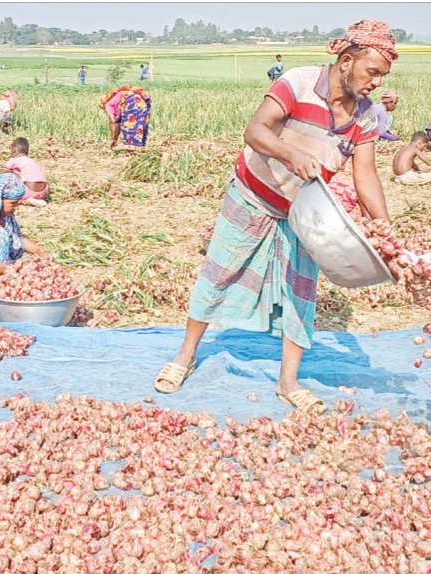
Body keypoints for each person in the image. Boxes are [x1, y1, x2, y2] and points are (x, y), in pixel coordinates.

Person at [153, 19, 398, 415]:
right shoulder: (299, 82)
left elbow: (365, 175)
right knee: (220, 273)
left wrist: (385, 231)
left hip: (304, 212)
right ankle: (185, 357)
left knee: (300, 292)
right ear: (347, 61)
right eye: (372, 73)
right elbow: (256, 131)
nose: (376, 83)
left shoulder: (366, 116)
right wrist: (291, 153)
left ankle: (288, 382)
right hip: (252, 195)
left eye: (382, 76)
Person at [4, 137, 48, 206]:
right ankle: (36, 199)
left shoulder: (14, 160)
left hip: (28, 192)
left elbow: (2, 173)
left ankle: (23, 201)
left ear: (14, 150)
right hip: (43, 192)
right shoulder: (33, 161)